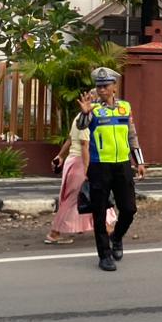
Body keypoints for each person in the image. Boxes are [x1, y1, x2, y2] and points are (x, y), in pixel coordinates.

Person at [81, 67, 146, 272]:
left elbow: (132, 135)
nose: (101, 89)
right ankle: (104, 255)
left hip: (122, 165)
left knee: (129, 209)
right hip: (99, 165)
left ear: (114, 87)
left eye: (105, 86)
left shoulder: (124, 107)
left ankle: (116, 237)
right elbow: (82, 126)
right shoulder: (92, 109)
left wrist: (139, 161)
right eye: (99, 86)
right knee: (99, 212)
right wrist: (84, 113)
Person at [46, 91, 115, 245]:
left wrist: (60, 156)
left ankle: (107, 227)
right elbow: (84, 145)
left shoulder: (80, 117)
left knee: (96, 195)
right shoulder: (87, 118)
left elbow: (70, 139)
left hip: (76, 161)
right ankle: (54, 233)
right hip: (81, 162)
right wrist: (87, 169)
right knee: (74, 199)